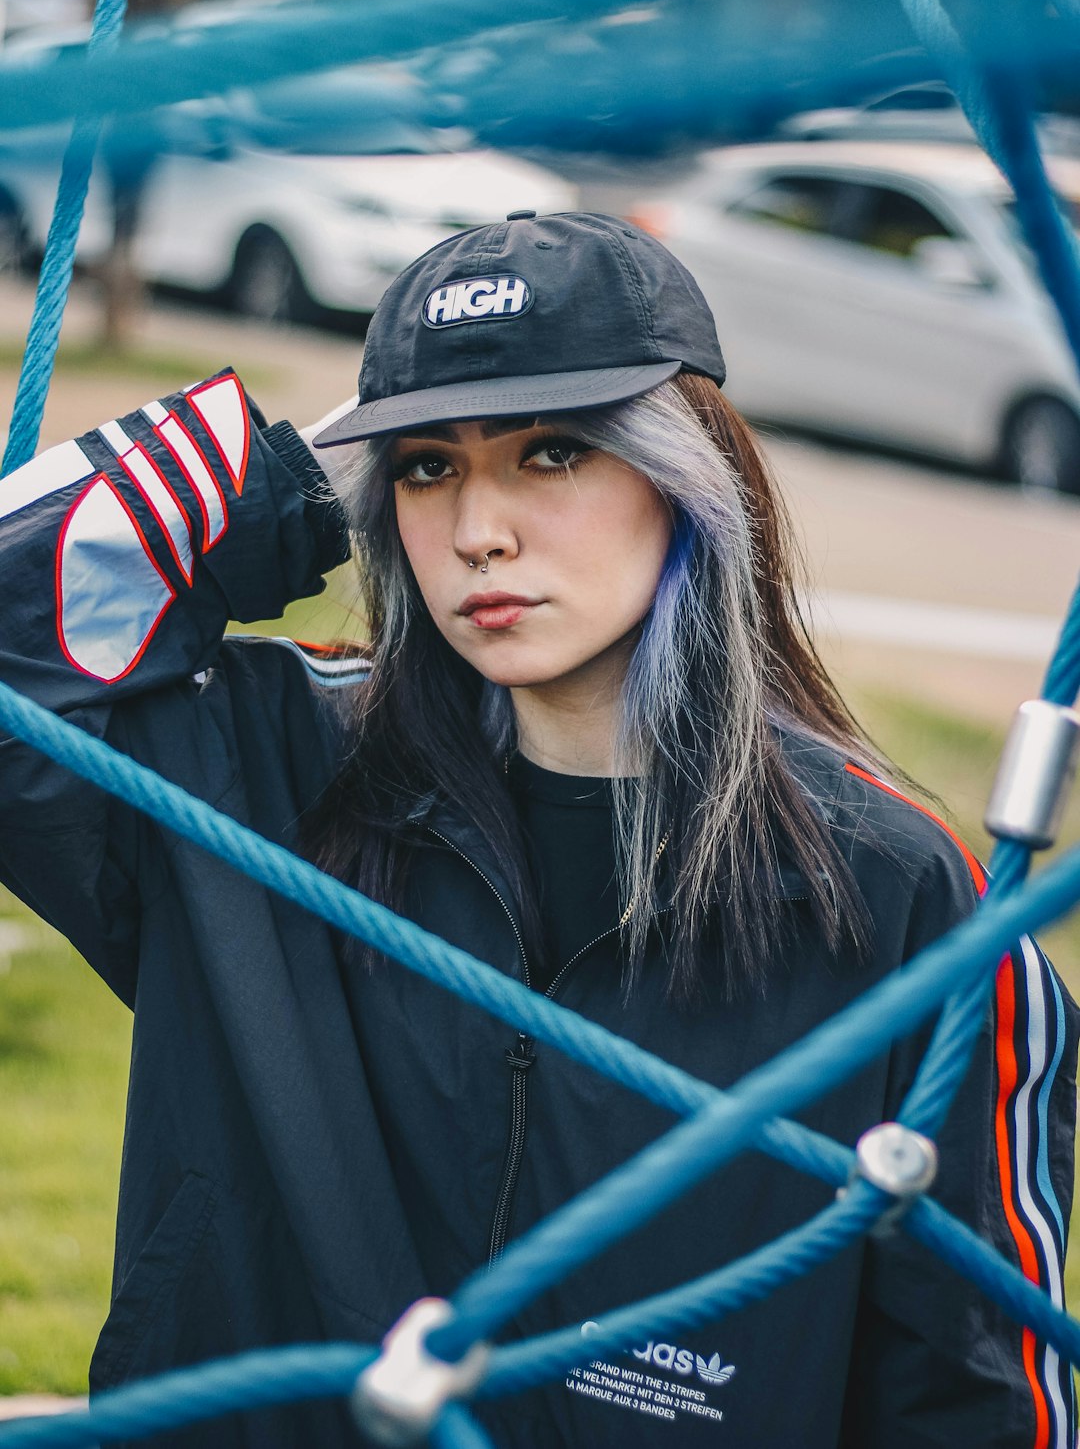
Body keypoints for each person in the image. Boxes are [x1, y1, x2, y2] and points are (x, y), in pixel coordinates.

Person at [0, 210, 1075, 1449]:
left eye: (552, 453)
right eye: (427, 466)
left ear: (683, 474)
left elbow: (976, 1395)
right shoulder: (261, 766)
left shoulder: (892, 891)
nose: (477, 533)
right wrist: (286, 490)